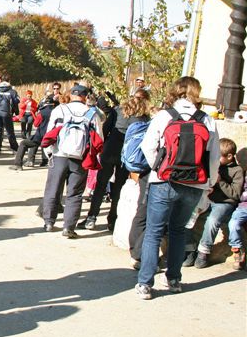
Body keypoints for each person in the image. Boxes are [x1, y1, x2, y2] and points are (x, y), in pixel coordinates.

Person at [135, 76, 220, 300]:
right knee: (179, 231)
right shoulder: (207, 120)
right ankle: (174, 279)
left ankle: (145, 283)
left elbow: (148, 146)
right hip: (194, 183)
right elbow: (214, 156)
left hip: (164, 181)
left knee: (154, 232)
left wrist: (159, 168)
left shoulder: (164, 116)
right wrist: (208, 182)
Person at [78, 89, 151, 231]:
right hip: (128, 155)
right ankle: (112, 219)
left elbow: (105, 130)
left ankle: (91, 217)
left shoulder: (118, 110)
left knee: (100, 185)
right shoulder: (144, 117)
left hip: (110, 150)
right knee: (118, 187)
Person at [40, 84, 104, 238]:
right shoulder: (91, 113)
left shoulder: (60, 109)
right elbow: (99, 139)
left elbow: (49, 132)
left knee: (53, 189)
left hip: (59, 154)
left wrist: (49, 153)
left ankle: (49, 222)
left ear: (72, 95)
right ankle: (68, 227)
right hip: (80, 158)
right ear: (85, 96)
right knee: (75, 193)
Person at [190, 138, 243, 269]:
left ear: (229, 156)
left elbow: (235, 194)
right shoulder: (215, 165)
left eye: (219, 156)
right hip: (208, 199)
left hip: (224, 203)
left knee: (213, 220)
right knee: (188, 215)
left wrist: (220, 181)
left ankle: (203, 252)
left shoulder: (237, 171)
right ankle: (188, 250)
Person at [9, 94, 58, 171]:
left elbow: (36, 124)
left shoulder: (42, 112)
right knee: (33, 139)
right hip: (53, 136)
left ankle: (18, 164)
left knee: (24, 143)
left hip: (41, 135)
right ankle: (32, 161)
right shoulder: (58, 111)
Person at [0, 73, 19, 153]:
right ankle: (14, 148)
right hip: (7, 113)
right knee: (10, 132)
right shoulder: (12, 91)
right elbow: (16, 101)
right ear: (9, 80)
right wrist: (16, 112)